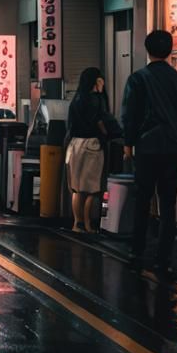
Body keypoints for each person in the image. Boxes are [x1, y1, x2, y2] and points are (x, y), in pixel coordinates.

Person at [121, 30, 177, 277]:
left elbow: (129, 115)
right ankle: (163, 259)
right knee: (168, 204)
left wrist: (128, 143)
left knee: (142, 201)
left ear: (147, 49)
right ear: (169, 51)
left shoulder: (138, 79)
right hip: (173, 149)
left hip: (147, 148)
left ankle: (136, 253)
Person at [66, 67, 121, 234]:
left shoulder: (76, 99)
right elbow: (101, 122)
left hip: (75, 145)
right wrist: (110, 134)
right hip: (92, 145)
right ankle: (89, 225)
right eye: (101, 79)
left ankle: (77, 224)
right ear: (96, 81)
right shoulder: (96, 99)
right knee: (92, 189)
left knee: (77, 188)